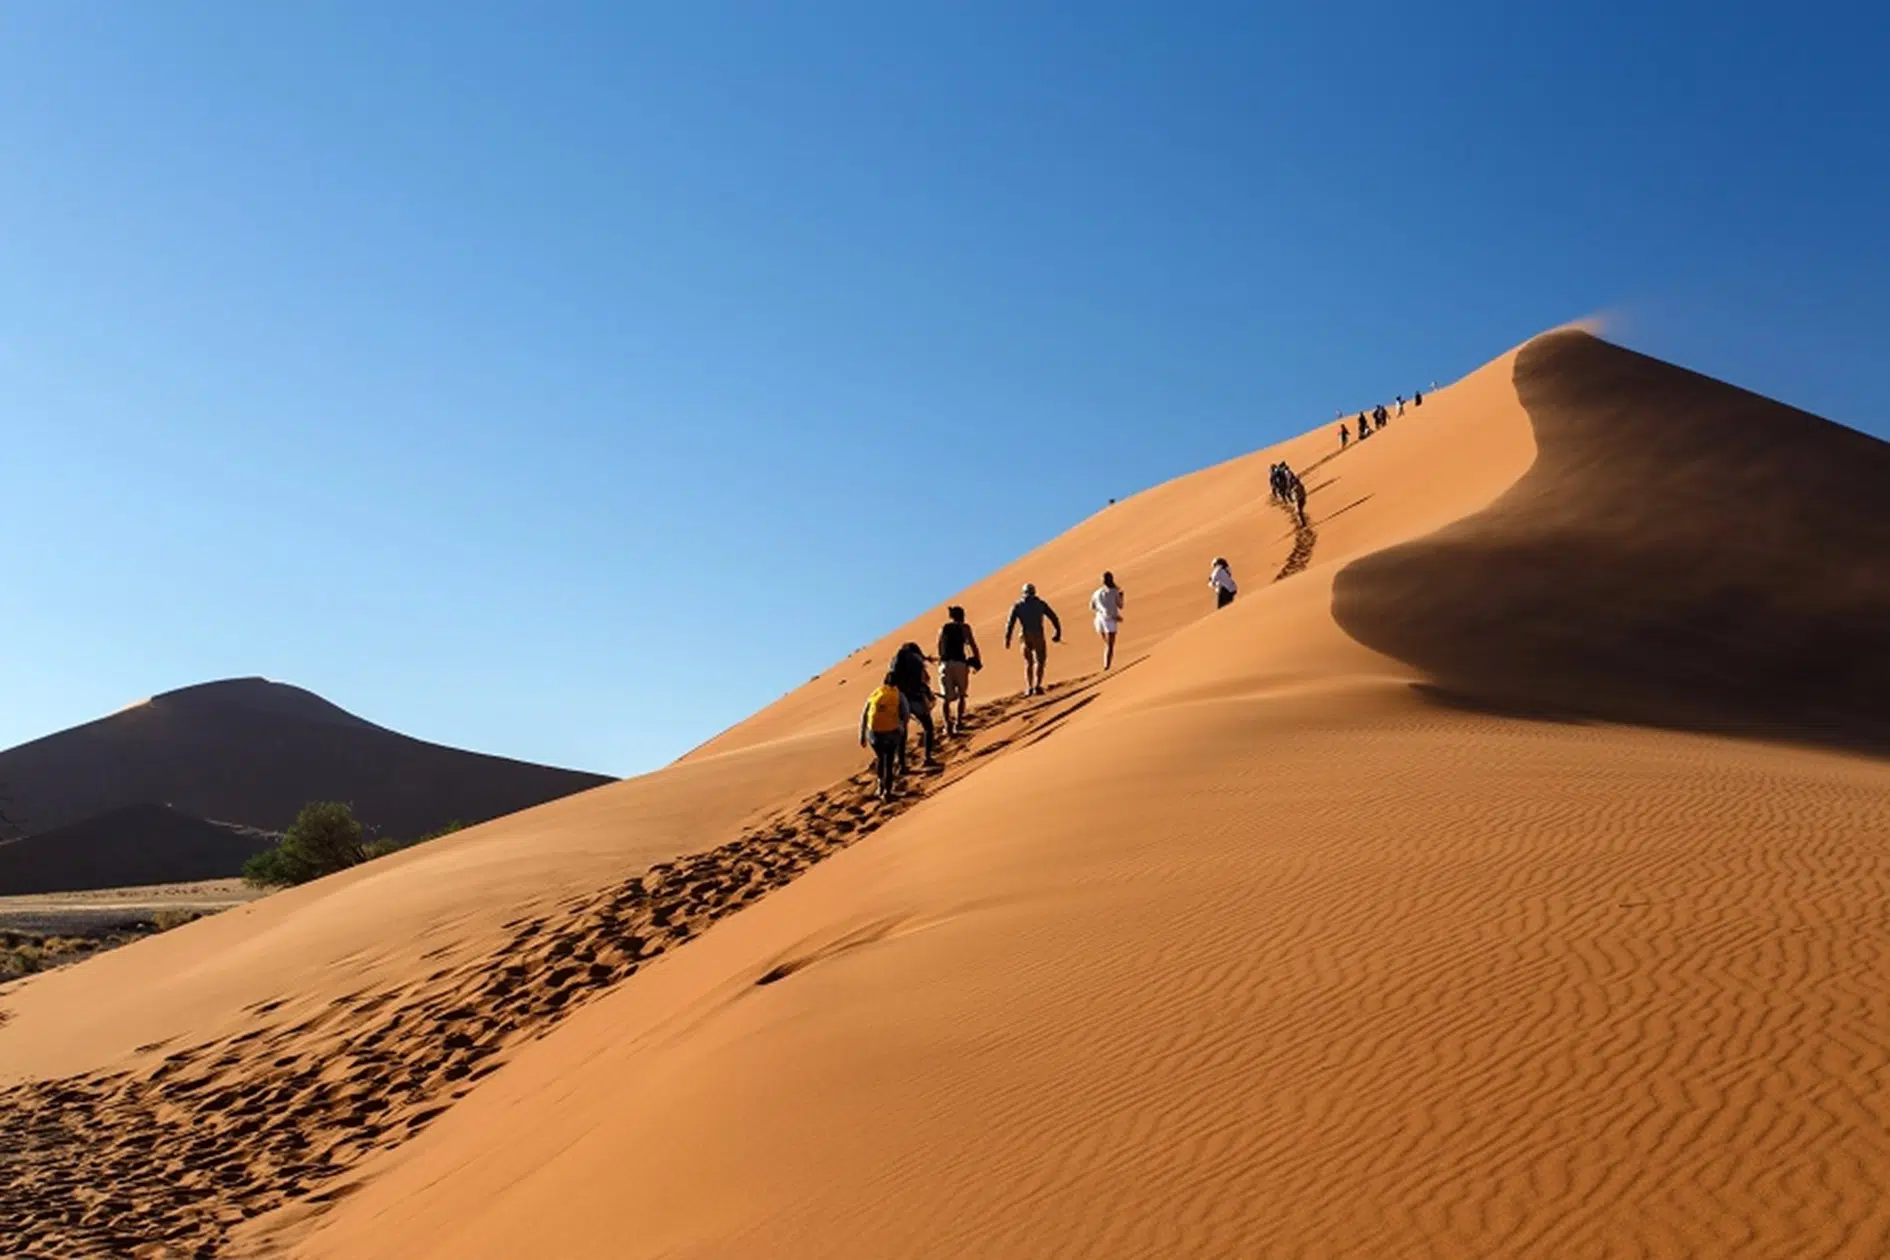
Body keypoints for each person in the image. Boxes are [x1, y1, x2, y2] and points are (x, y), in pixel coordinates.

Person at [889, 640, 940, 771]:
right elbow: (924, 680)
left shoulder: (895, 661)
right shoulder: (916, 660)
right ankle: (927, 758)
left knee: (902, 732)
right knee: (928, 726)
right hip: (915, 698)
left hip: (899, 699)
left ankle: (901, 765)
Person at [859, 671, 910, 802]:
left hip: (874, 733)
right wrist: (902, 727)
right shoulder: (899, 695)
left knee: (881, 758)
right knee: (889, 760)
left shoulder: (875, 694)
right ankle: (887, 791)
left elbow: (865, 714)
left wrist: (862, 735)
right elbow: (906, 714)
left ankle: (879, 786)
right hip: (892, 732)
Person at [1005, 582, 1062, 696]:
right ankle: (1037, 685)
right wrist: (1058, 632)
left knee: (1028, 662)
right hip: (1037, 635)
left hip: (1025, 635)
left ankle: (1029, 687)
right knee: (1040, 661)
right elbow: (1053, 617)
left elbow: (1010, 623)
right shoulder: (1040, 604)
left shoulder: (1018, 605)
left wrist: (1007, 637)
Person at [935, 606, 982, 736]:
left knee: (946, 697)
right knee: (962, 694)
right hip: (960, 664)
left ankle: (947, 725)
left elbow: (939, 647)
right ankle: (959, 722)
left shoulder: (942, 628)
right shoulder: (965, 628)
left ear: (951, 616)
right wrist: (978, 660)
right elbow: (972, 644)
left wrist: (940, 662)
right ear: (962, 615)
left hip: (945, 664)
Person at [1090, 572, 1125, 670]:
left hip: (1099, 620)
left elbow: (1092, 607)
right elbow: (1120, 605)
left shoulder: (1096, 593)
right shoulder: (1114, 592)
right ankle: (1107, 666)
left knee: (1107, 644)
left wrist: (1102, 610)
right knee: (1110, 645)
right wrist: (1121, 597)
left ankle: (1107, 665)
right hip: (1110, 620)